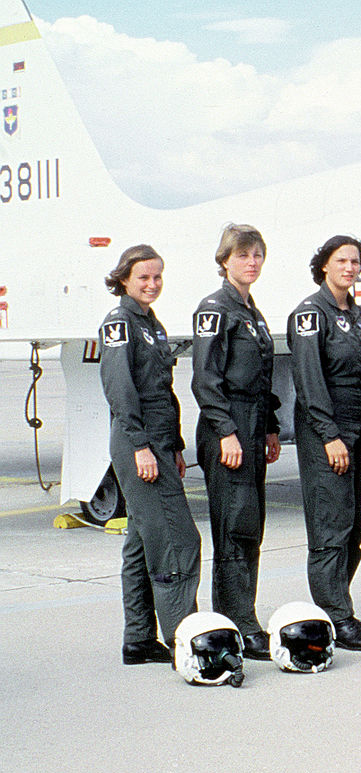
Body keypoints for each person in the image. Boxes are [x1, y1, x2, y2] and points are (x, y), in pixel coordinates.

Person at [98, 244, 201, 665]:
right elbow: (121, 391)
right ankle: (186, 639)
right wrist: (142, 446)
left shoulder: (151, 324)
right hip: (137, 442)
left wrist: (173, 445)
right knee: (177, 540)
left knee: (142, 541)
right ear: (124, 278)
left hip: (158, 443)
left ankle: (139, 639)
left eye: (157, 277)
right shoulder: (119, 323)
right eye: (143, 277)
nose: (152, 284)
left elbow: (163, 390)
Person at [287, 235, 361, 651]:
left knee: (353, 526)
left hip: (359, 427)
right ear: (324, 266)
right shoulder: (311, 314)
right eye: (341, 261)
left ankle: (338, 607)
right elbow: (309, 383)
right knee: (331, 526)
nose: (350, 267)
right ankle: (335, 615)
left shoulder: (359, 317)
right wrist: (330, 436)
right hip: (325, 431)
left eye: (355, 262)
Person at [190, 224, 281, 661]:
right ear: (225, 260)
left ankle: (243, 614)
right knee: (234, 526)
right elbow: (206, 380)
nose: (252, 262)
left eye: (258, 255)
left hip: (250, 425)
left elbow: (262, 378)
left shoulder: (252, 312)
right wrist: (226, 431)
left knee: (250, 527)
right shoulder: (216, 309)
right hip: (226, 427)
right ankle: (236, 620)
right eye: (243, 254)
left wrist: (269, 427)